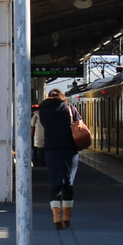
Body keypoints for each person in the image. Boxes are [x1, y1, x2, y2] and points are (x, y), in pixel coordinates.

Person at [36, 88, 81, 229]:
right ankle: (67, 217)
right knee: (68, 183)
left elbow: (44, 125)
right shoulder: (70, 109)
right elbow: (79, 124)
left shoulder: (43, 111)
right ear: (62, 97)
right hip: (69, 150)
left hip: (52, 150)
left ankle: (56, 217)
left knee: (55, 184)